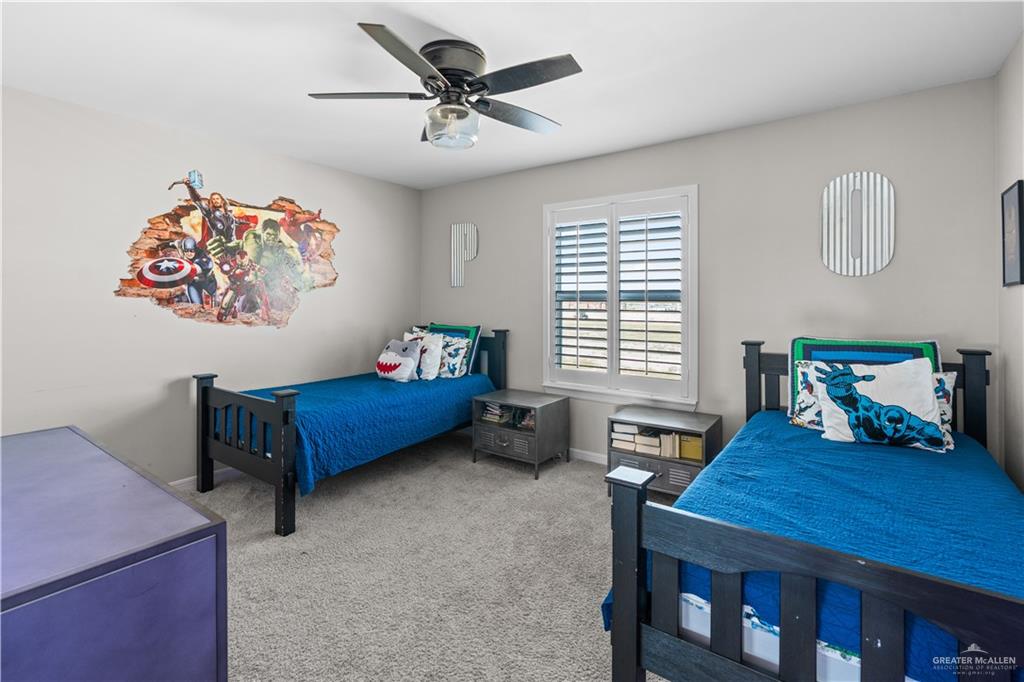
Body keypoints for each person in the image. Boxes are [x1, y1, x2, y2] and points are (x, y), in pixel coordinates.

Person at [815, 363, 945, 450]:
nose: (893, 430)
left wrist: (921, 435)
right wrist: (839, 386)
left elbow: (936, 440)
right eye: (890, 423)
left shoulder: (915, 427)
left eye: (898, 426)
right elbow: (849, 401)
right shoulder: (868, 411)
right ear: (880, 418)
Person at [184, 176, 241, 246]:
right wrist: (190, 187)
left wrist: (249, 223)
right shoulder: (210, 213)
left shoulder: (229, 215)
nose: (215, 201)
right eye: (213, 199)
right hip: (219, 247)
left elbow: (237, 221)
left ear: (222, 201)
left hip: (233, 245)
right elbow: (197, 200)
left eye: (217, 198)